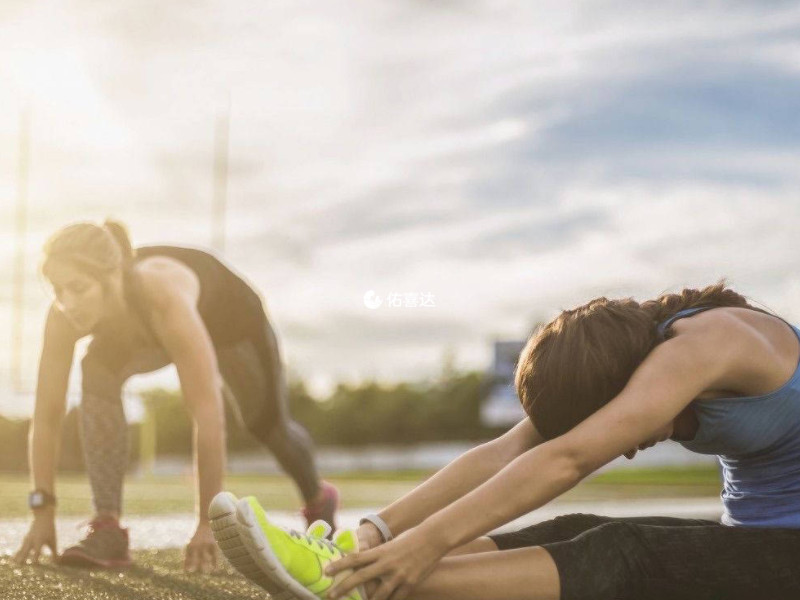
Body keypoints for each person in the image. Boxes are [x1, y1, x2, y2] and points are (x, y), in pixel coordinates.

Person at [218, 282, 800, 600]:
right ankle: (351, 559)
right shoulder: (622, 353)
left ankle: (354, 587)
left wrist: (427, 546)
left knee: (623, 551)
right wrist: (379, 528)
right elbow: (507, 453)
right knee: (573, 530)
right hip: (756, 541)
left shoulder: (709, 344)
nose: (623, 447)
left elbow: (568, 457)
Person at [13, 220, 338, 572]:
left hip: (232, 323)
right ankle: (107, 528)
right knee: (97, 369)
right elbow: (46, 416)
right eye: (57, 290)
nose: (67, 303)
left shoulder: (161, 292)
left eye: (78, 288)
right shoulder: (63, 316)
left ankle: (319, 498)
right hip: (142, 330)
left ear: (112, 277)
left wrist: (207, 523)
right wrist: (41, 510)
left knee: (265, 426)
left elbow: (206, 413)